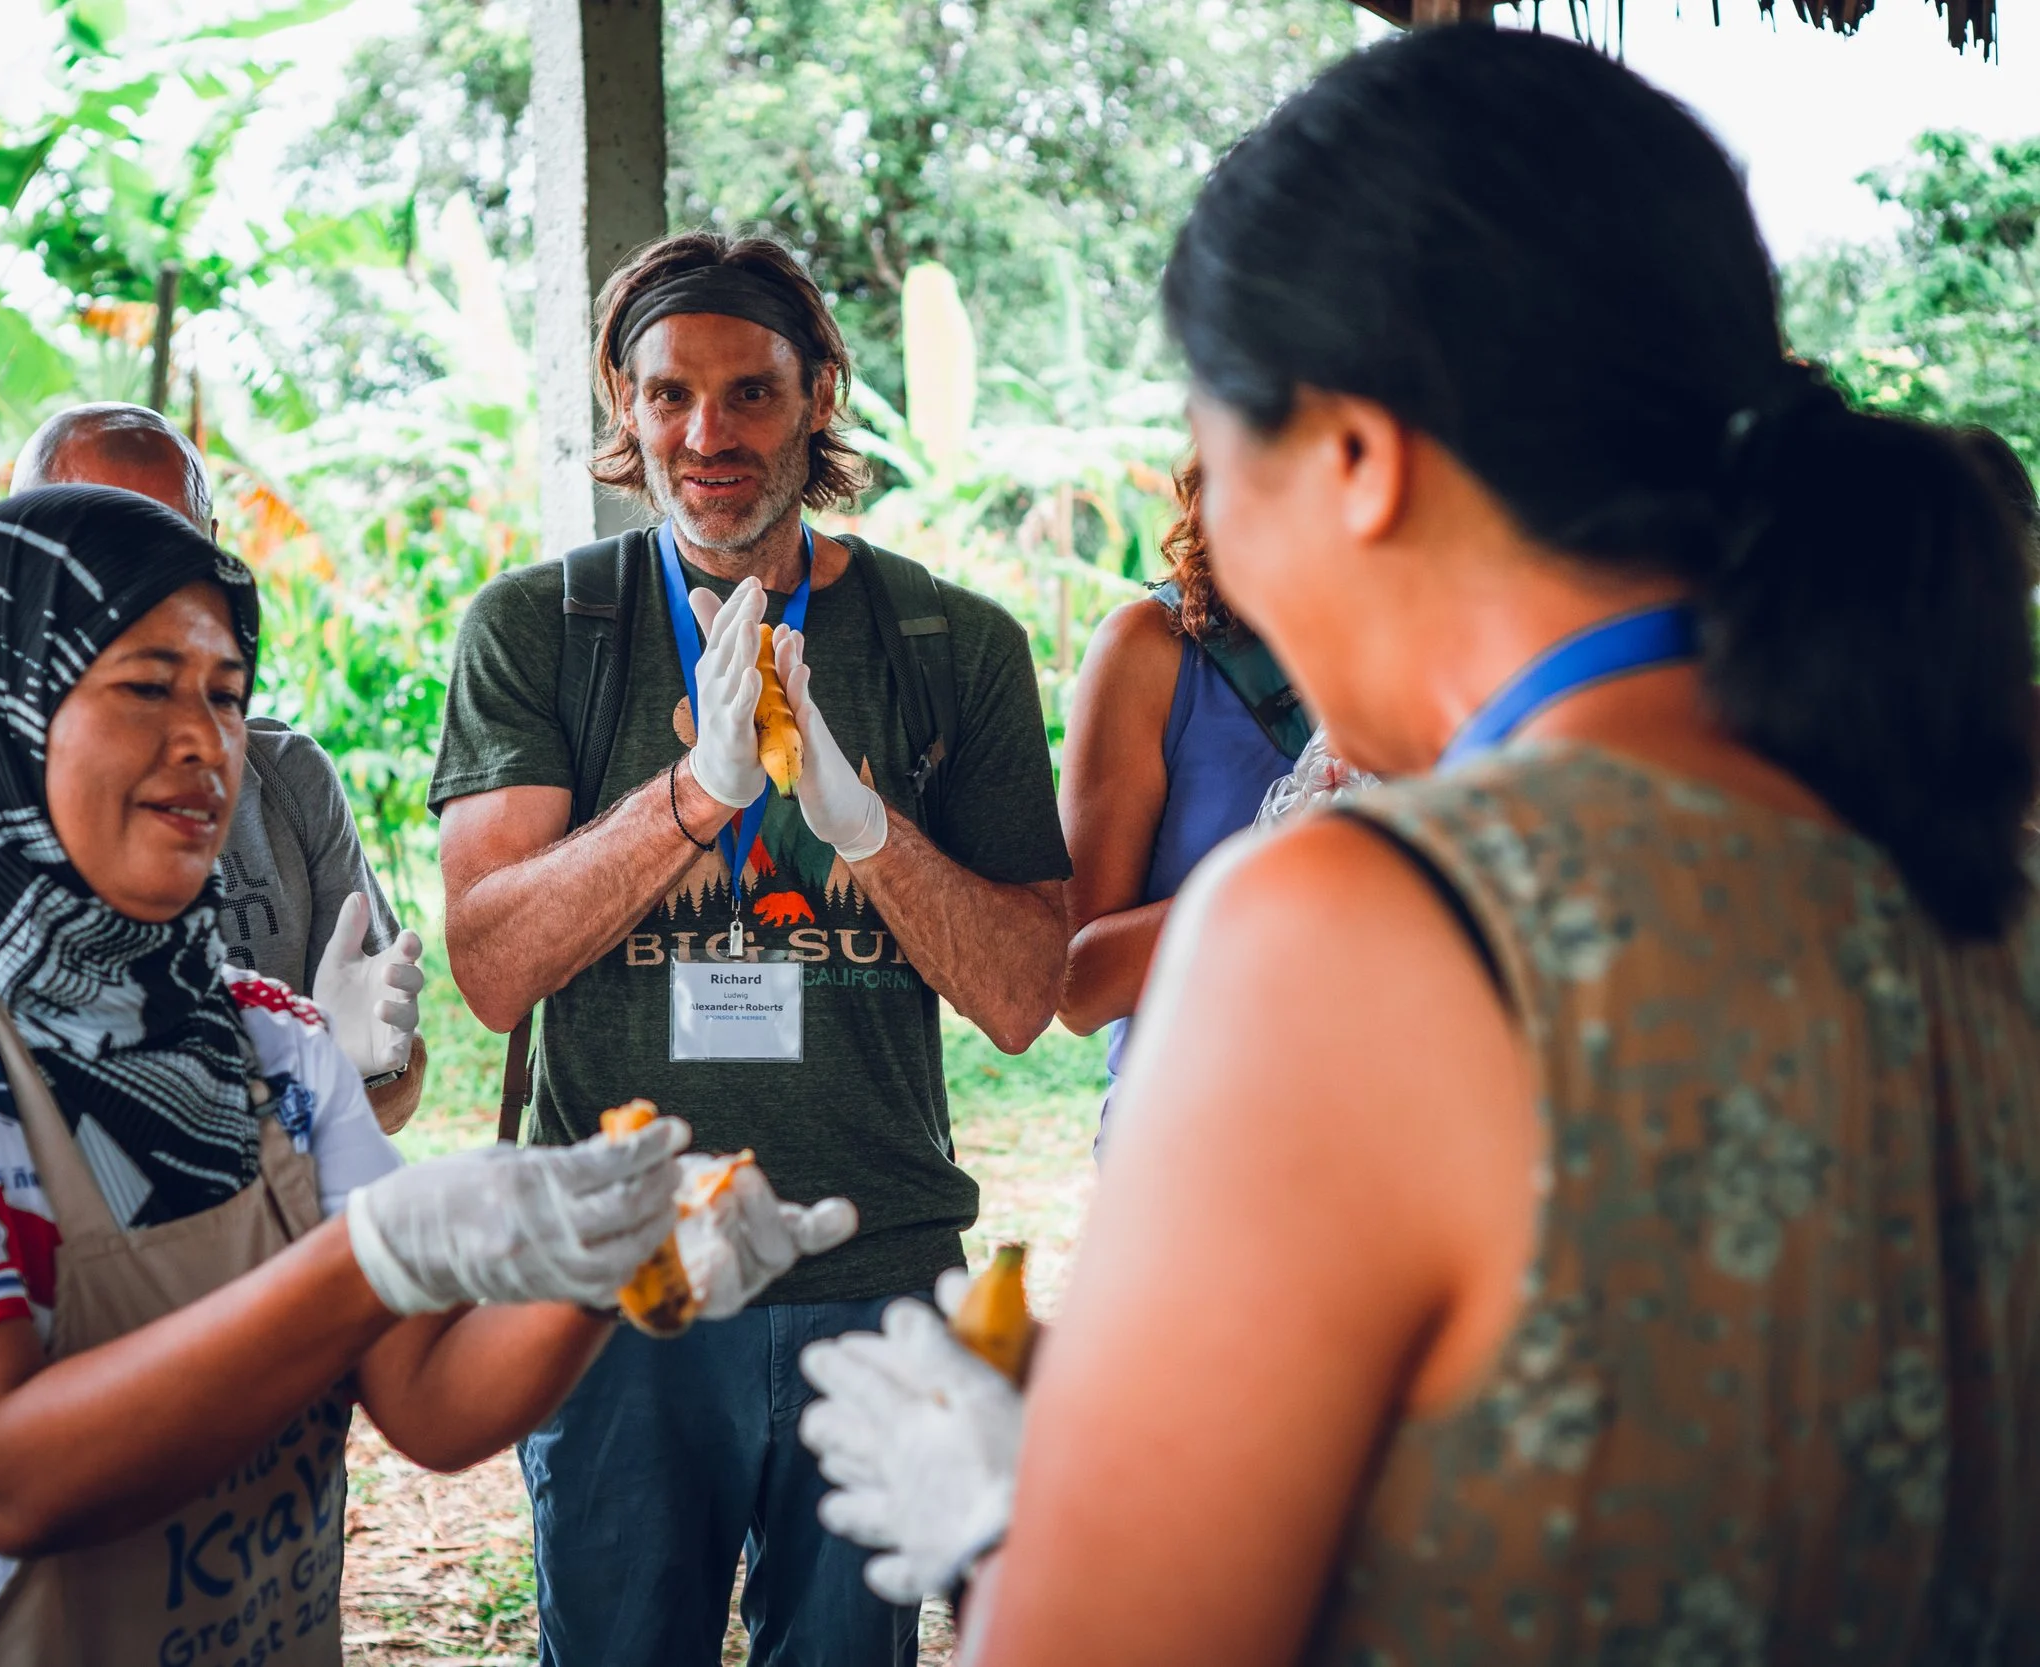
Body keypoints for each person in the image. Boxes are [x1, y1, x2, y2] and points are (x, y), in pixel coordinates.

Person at [798, 29, 2040, 1666]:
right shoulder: (1965, 842)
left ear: (1357, 458)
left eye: (1220, 458)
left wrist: (1020, 1528)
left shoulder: (1367, 919)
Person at [0, 484, 853, 1666]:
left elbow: (430, 1399)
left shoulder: (261, 1042)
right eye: (147, 685)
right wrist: (373, 1254)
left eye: (227, 695)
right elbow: (2, 1473)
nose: (207, 742)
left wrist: (618, 1261)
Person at [430, 230, 1071, 1666]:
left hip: (872, 1259)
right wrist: (691, 796)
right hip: (621, 1272)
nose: (706, 435)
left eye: (753, 394)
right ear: (623, 396)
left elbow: (1025, 994)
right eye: (669, 395)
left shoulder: (946, 639)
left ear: (821, 392)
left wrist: (865, 826)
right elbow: (489, 962)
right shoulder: (546, 627)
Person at [0, 403, 431, 1130]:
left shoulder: (282, 781)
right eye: (89, 550)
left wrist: (360, 1066)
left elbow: (390, 1089)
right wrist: (289, 1080)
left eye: (163, 551)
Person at [1057, 454, 1306, 1131]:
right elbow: (1077, 983)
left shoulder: (1451, 665)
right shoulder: (1154, 651)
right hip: (1195, 1140)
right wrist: (1295, 873)